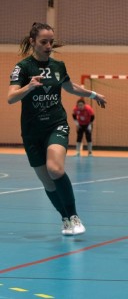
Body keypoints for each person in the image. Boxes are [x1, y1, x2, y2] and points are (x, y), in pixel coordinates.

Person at [7, 22, 107, 236]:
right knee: (47, 182)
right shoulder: (22, 68)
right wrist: (29, 86)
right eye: (44, 42)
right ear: (33, 42)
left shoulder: (58, 66)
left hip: (56, 124)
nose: (48, 46)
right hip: (32, 131)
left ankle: (74, 215)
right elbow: (10, 98)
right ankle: (65, 219)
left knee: (55, 169)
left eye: (51, 42)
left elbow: (70, 87)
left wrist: (93, 95)